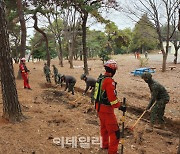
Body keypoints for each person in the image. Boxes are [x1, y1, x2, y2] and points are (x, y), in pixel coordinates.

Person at [94, 60, 126, 154]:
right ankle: (112, 152)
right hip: (107, 111)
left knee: (104, 129)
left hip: (99, 109)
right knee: (115, 133)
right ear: (113, 71)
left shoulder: (100, 79)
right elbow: (112, 99)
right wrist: (120, 106)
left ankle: (104, 145)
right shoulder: (109, 81)